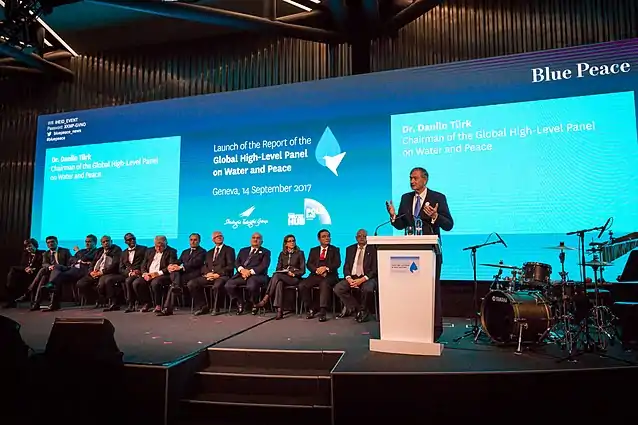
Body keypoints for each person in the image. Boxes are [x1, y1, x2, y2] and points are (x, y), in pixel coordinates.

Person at [385, 166, 454, 340]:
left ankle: (434, 329)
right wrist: (393, 216)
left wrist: (435, 216)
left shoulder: (438, 197)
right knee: (409, 291)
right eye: (410, 178)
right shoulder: (406, 198)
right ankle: (409, 325)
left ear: (425, 179)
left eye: (415, 178)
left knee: (431, 291)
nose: (412, 181)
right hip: (409, 253)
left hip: (431, 253)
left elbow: (449, 225)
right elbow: (401, 225)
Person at [29, 235, 94, 311]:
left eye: (52, 242)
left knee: (54, 269)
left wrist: (79, 259)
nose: (50, 244)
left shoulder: (64, 251)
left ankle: (33, 289)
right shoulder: (46, 253)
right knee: (45, 276)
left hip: (66, 269)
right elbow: (44, 263)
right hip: (54, 273)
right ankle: (39, 303)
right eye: (48, 243)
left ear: (57, 242)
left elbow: (72, 260)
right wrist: (50, 267)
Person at [254, 234, 305, 319]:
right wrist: (284, 271)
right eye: (290, 241)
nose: (292, 242)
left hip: (295, 279)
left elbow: (302, 270)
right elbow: (278, 268)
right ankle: (279, 310)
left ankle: (265, 299)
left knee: (276, 276)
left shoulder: (300, 253)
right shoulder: (282, 254)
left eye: (293, 241)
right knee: (279, 283)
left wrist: (293, 273)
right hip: (283, 277)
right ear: (286, 244)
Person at [333, 229, 378, 323]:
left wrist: (362, 279)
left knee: (367, 289)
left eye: (364, 236)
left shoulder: (373, 249)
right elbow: (346, 266)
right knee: (338, 288)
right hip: (353, 277)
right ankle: (358, 309)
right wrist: (349, 278)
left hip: (367, 278)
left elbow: (374, 269)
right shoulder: (350, 249)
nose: (362, 238)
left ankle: (362, 311)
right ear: (356, 238)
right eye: (359, 236)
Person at [157, 233, 206, 316]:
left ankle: (167, 308)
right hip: (183, 275)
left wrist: (180, 267)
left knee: (174, 283)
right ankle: (176, 288)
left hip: (194, 275)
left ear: (199, 241)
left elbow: (195, 263)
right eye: (191, 240)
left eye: (195, 240)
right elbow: (178, 261)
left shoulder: (202, 252)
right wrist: (172, 265)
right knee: (174, 275)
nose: (193, 242)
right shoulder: (185, 252)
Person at [187, 231, 235, 315]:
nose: (219, 237)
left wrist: (217, 274)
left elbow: (230, 266)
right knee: (192, 283)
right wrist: (207, 274)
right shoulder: (209, 252)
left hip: (223, 276)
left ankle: (216, 308)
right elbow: (204, 266)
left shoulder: (229, 250)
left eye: (220, 236)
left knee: (217, 285)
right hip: (210, 276)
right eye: (217, 236)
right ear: (213, 240)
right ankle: (203, 306)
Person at [299, 229, 341, 322]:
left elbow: (337, 263)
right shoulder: (313, 250)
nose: (327, 238)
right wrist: (317, 270)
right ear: (319, 239)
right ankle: (312, 308)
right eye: (324, 236)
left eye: (328, 236)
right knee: (302, 285)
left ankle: (323, 311)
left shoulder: (335, 249)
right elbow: (309, 264)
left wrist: (326, 268)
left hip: (330, 275)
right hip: (316, 274)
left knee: (324, 284)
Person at [225, 232, 271, 315]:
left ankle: (254, 303)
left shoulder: (266, 252)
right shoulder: (243, 250)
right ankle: (240, 302)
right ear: (250, 240)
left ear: (262, 241)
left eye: (258, 238)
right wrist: (242, 270)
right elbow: (237, 262)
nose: (255, 239)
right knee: (229, 285)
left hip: (258, 276)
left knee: (251, 286)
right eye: (253, 238)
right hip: (242, 275)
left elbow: (264, 266)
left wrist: (249, 272)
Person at [101, 233, 146, 312]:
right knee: (109, 280)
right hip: (127, 274)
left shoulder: (143, 249)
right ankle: (114, 303)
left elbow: (145, 263)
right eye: (129, 240)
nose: (132, 241)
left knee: (128, 281)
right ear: (125, 242)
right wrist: (128, 273)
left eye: (133, 239)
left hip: (138, 273)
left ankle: (131, 304)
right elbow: (121, 268)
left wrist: (139, 271)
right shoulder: (123, 253)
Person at [131, 235, 177, 313]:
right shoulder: (149, 250)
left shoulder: (172, 251)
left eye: (161, 246)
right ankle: (147, 303)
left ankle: (158, 305)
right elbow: (143, 264)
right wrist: (145, 273)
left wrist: (155, 274)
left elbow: (170, 267)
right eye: (156, 246)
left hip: (162, 275)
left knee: (155, 283)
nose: (158, 248)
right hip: (148, 274)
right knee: (136, 283)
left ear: (166, 244)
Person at [75, 235, 122, 309]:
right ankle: (97, 299)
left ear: (111, 241)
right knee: (80, 283)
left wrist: (102, 272)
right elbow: (93, 263)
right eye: (104, 242)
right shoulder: (99, 251)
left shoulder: (116, 249)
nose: (106, 243)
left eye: (107, 241)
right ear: (101, 244)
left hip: (108, 273)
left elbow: (115, 264)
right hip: (96, 272)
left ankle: (112, 302)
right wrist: (91, 272)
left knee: (102, 284)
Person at [2, 239, 43, 308]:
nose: (28, 248)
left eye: (30, 246)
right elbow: (22, 265)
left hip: (36, 272)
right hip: (26, 272)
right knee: (13, 270)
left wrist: (33, 269)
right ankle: (10, 289)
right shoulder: (26, 254)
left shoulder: (41, 253)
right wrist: (26, 269)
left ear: (35, 245)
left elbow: (42, 265)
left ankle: (27, 296)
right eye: (27, 247)